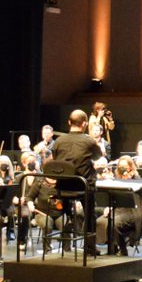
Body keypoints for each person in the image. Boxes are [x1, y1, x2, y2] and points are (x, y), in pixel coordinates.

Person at [50, 109, 104, 254]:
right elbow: (98, 157)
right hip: (83, 187)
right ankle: (90, 246)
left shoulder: (58, 141)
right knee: (90, 213)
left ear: (69, 122)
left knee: (67, 204)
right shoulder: (89, 141)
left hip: (62, 186)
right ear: (85, 124)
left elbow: (56, 161)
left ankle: (68, 222)